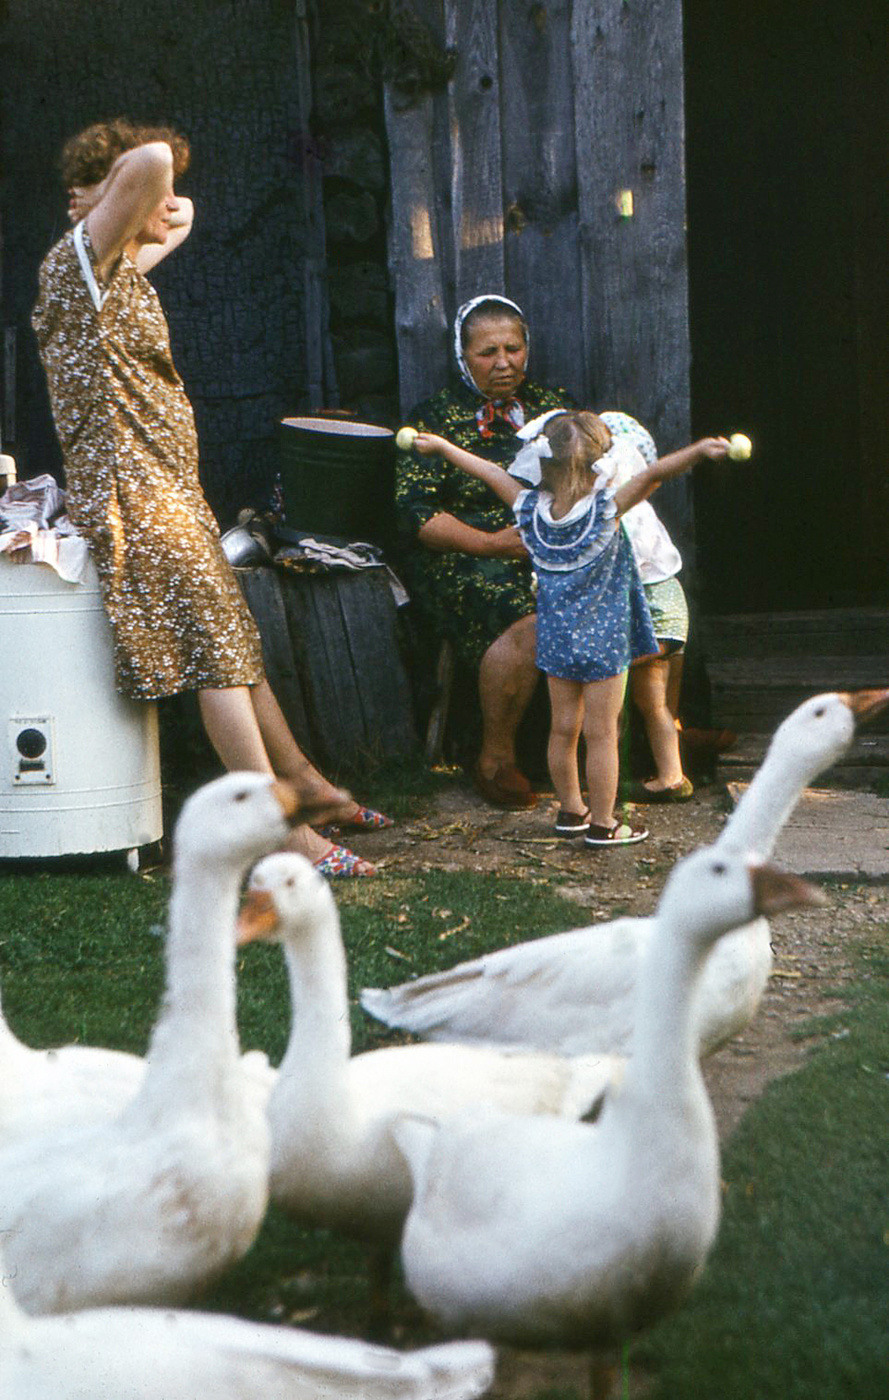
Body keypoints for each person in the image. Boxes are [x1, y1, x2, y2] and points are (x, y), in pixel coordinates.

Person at [31, 118, 388, 877]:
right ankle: (278, 828)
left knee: (231, 637)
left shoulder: (117, 272)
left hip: (169, 488)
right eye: (149, 193)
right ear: (94, 198)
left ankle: (303, 785)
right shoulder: (75, 265)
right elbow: (155, 160)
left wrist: (139, 206)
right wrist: (111, 194)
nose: (170, 198)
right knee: (213, 657)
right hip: (135, 494)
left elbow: (174, 209)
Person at [412, 413, 731, 846]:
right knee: (601, 735)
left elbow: (487, 471)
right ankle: (604, 823)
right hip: (604, 645)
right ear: (605, 464)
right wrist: (700, 450)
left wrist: (444, 447)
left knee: (563, 730)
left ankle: (570, 810)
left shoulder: (531, 513)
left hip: (557, 641)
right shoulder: (606, 511)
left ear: (543, 465)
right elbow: (655, 473)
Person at [395, 294, 574, 810]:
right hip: (467, 554)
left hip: (553, 549)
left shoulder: (555, 406)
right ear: (463, 356)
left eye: (513, 349)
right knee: (526, 616)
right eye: (487, 352)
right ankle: (496, 758)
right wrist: (492, 543)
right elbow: (418, 517)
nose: (503, 362)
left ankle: (658, 740)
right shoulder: (435, 419)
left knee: (638, 591)